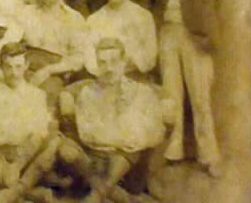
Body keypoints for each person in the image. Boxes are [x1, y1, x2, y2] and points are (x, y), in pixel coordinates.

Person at [144, 0, 224, 175]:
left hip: (195, 34)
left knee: (200, 98)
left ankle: (209, 155)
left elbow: (224, 0)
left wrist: (209, 34)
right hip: (167, 31)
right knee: (171, 94)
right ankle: (174, 149)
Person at [60, 38, 172, 203]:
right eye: (103, 63)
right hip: (95, 159)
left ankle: (98, 196)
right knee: (69, 152)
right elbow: (88, 134)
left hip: (128, 164)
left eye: (113, 61)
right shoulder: (88, 93)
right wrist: (119, 135)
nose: (109, 68)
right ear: (97, 65)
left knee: (122, 157)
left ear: (123, 62)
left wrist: (114, 138)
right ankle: (119, 197)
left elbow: (149, 133)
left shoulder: (140, 92)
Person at [0, 43, 65, 203]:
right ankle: (30, 193)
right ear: (1, 66)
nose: (13, 73)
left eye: (18, 67)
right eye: (8, 67)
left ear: (26, 66)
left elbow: (38, 135)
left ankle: (13, 185)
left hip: (26, 156)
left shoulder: (37, 95)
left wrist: (17, 165)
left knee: (46, 141)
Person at [0, 0, 86, 108]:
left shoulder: (73, 18)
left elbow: (79, 58)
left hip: (55, 73)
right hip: (24, 67)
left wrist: (48, 70)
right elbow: (9, 40)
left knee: (43, 98)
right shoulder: (26, 13)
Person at [86, 0, 157, 80]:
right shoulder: (94, 20)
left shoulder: (143, 16)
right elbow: (89, 61)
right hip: (104, 80)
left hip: (135, 79)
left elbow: (149, 59)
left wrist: (128, 62)